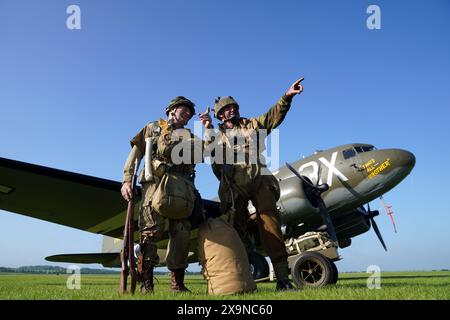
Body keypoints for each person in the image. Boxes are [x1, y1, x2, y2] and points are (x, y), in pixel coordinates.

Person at [199, 78, 304, 290]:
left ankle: (283, 279)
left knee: (271, 224)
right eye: (226, 109)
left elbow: (272, 117)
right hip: (233, 185)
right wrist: (208, 128)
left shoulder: (253, 125)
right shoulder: (216, 135)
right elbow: (211, 154)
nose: (231, 111)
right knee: (234, 230)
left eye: (233, 107)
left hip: (259, 180)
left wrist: (287, 97)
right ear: (220, 115)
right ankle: (238, 279)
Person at [121, 96, 200, 294]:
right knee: (150, 231)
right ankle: (146, 284)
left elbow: (205, 153)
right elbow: (136, 153)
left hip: (182, 186)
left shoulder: (190, 136)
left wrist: (207, 127)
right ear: (172, 110)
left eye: (190, 113)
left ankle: (177, 284)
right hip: (155, 183)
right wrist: (126, 180)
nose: (188, 114)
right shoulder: (153, 128)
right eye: (184, 110)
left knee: (182, 232)